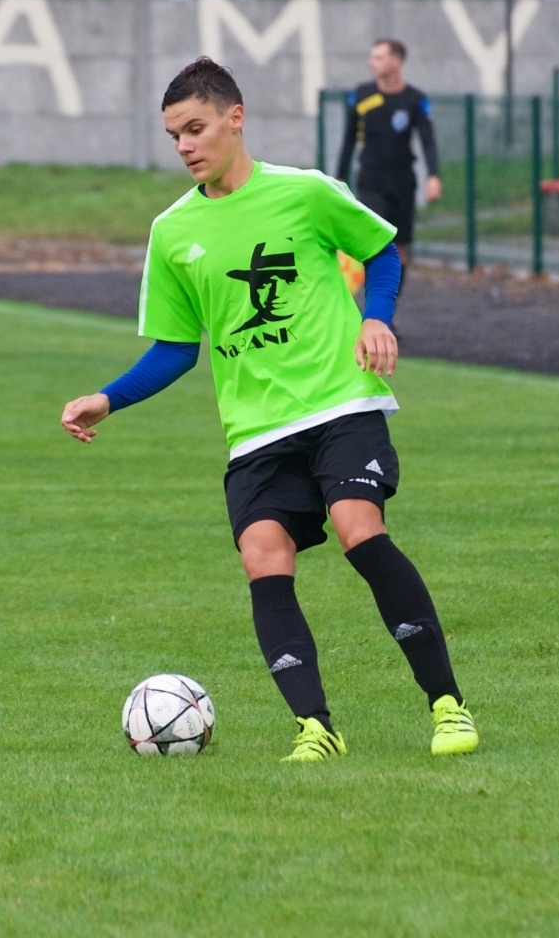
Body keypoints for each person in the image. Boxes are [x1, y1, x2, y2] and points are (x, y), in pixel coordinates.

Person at [60, 57, 478, 764]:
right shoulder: (172, 233)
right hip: (256, 431)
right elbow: (175, 349)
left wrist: (378, 321)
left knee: (357, 527)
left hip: (339, 403)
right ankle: (316, 728)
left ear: (235, 118)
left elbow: (382, 252)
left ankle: (447, 707)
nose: (186, 145)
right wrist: (109, 397)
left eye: (195, 128)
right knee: (263, 555)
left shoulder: (306, 193)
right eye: (173, 136)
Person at [334, 39, 441, 296]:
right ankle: (371, 311)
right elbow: (349, 139)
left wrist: (433, 176)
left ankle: (386, 313)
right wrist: (338, 178)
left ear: (396, 62)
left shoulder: (415, 100)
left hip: (403, 181)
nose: (373, 63)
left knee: (399, 248)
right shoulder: (360, 96)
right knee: (377, 243)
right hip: (370, 179)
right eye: (373, 57)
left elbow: (427, 139)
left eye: (379, 58)